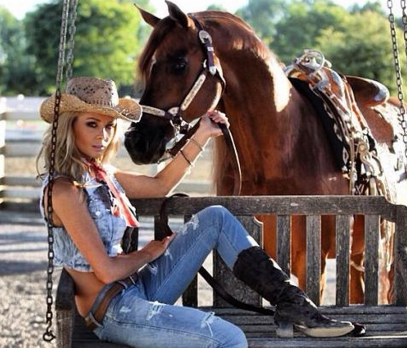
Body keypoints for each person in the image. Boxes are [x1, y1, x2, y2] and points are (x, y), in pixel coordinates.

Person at [37, 76, 362, 348]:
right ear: (69, 126)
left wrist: (202, 133)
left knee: (215, 217)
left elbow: (161, 184)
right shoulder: (64, 191)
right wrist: (150, 253)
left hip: (138, 288)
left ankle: (291, 303)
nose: (102, 135)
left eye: (109, 126)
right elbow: (106, 270)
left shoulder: (101, 175)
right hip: (113, 310)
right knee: (230, 339)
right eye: (92, 124)